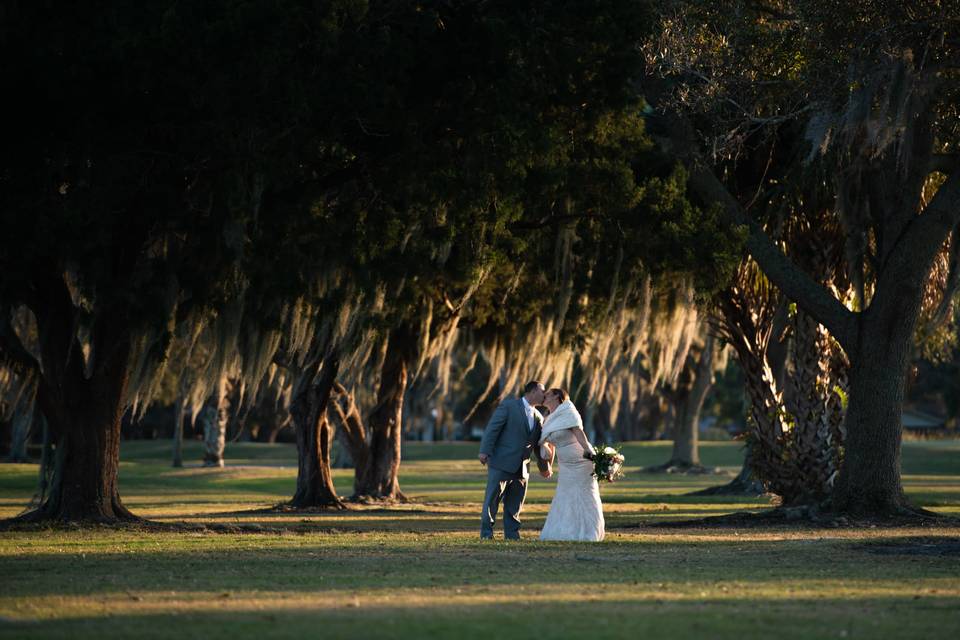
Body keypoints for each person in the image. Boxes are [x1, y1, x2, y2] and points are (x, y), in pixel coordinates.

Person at [478, 381, 552, 539]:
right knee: (492, 501)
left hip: (522, 467)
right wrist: (484, 451)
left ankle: (512, 535)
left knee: (515, 503)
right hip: (501, 462)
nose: (544, 395)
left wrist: (544, 466)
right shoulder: (509, 406)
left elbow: (539, 444)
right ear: (532, 392)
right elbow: (493, 428)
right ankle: (486, 534)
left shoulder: (539, 416)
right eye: (542, 391)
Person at [538, 388, 605, 541]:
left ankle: (588, 532)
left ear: (556, 396)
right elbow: (552, 444)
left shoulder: (568, 411)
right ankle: (563, 531)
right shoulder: (548, 418)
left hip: (580, 461)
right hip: (565, 464)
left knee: (583, 494)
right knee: (564, 494)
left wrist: (591, 453)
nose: (544, 396)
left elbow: (579, 433)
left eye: (547, 394)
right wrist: (548, 463)